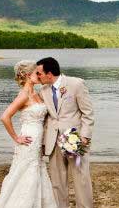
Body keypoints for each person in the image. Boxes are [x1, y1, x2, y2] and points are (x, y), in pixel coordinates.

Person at [0, 60, 57, 208]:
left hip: (38, 139)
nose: (39, 76)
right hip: (28, 139)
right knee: (27, 172)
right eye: (36, 73)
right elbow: (5, 117)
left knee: (37, 169)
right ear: (28, 75)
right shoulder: (24, 95)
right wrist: (16, 137)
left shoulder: (38, 93)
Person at [36, 57, 94, 208]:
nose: (37, 76)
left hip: (73, 138)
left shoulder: (76, 84)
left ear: (49, 74)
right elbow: (45, 119)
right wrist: (43, 143)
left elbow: (87, 112)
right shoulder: (43, 91)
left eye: (39, 73)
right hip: (52, 141)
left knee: (81, 179)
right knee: (57, 182)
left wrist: (85, 137)